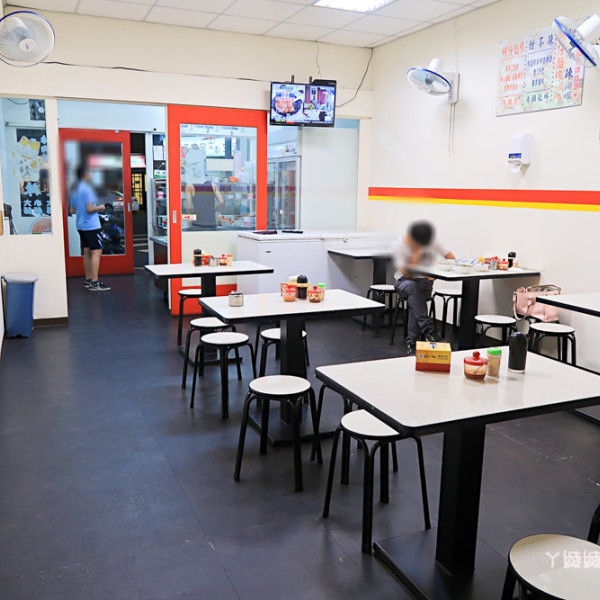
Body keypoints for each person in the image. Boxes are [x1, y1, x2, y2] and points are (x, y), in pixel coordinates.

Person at [394, 221, 455, 355]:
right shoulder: (401, 245)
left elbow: (452, 258)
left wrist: (434, 277)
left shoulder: (433, 241)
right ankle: (429, 330)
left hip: (423, 283)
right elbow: (407, 273)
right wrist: (417, 252)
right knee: (414, 289)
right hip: (403, 282)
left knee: (415, 298)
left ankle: (412, 342)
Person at [70, 166, 111, 291]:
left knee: (87, 252)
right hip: (91, 225)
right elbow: (90, 208)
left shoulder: (75, 189)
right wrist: (100, 207)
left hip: (80, 225)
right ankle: (95, 282)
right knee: (96, 252)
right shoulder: (87, 189)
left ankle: (88, 280)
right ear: (85, 174)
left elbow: (72, 210)